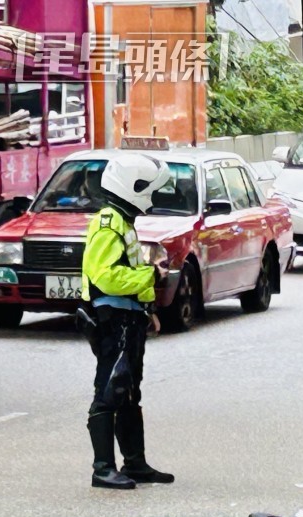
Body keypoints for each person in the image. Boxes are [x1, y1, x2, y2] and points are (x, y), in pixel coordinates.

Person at [80, 153, 174, 490]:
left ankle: (135, 463)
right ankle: (102, 468)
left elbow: (129, 274)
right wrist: (150, 274)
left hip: (130, 318)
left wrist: (148, 311)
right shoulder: (108, 223)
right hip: (112, 318)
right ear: (133, 187)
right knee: (110, 389)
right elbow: (105, 276)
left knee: (130, 391)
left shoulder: (124, 221)